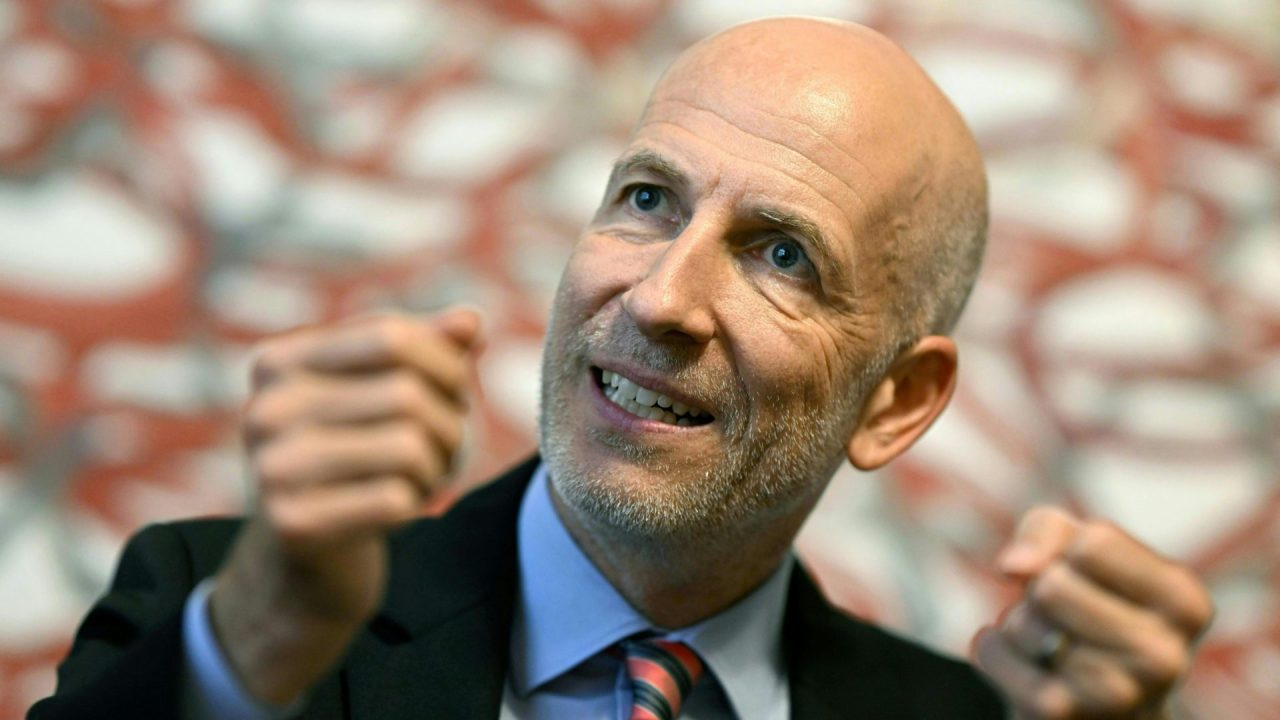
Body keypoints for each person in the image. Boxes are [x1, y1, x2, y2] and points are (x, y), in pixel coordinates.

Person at [32, 17, 1213, 720]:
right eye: (648, 200)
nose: (658, 299)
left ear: (896, 402)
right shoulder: (223, 618)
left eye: (781, 254)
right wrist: (251, 655)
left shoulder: (963, 719)